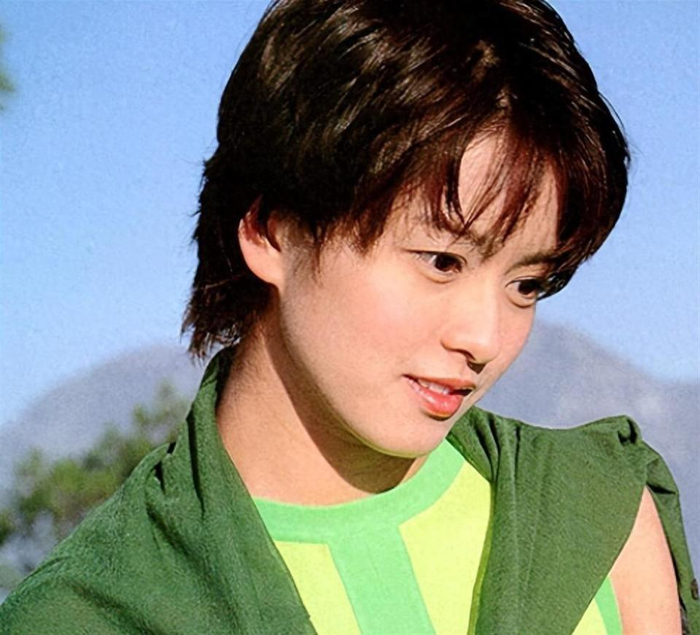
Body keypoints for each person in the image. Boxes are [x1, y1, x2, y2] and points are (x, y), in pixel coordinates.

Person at [1, 0, 698, 632]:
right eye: (441, 261)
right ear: (272, 231)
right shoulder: (90, 614)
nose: (485, 338)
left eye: (527, 284)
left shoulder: (597, 514)